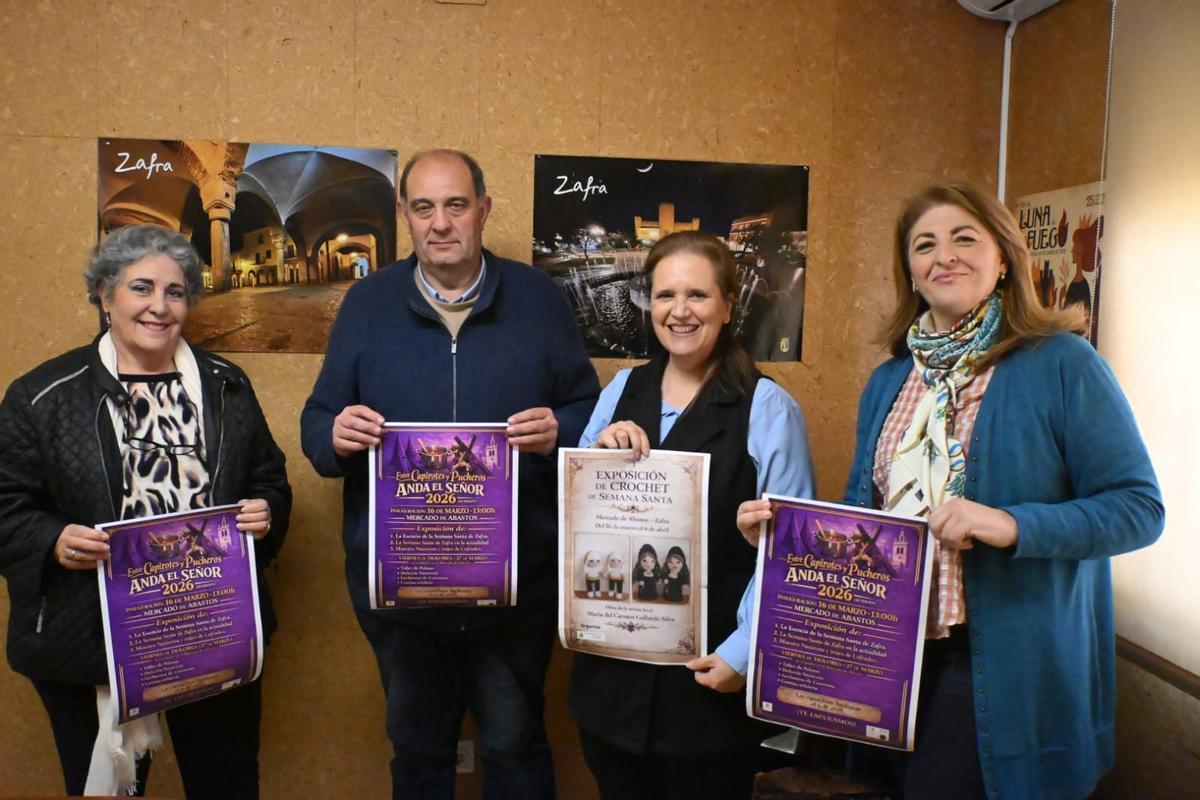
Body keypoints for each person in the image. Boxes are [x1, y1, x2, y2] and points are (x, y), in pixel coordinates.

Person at [740, 182, 1162, 800]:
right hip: (890, 655)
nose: (945, 256)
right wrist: (790, 532)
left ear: (1003, 259)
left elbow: (1138, 510)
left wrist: (1011, 524)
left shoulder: (1062, 363)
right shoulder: (890, 381)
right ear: (909, 270)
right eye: (924, 245)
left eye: (966, 238)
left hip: (998, 661)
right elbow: (866, 520)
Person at [299, 148, 599, 800]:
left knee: (515, 745)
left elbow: (588, 413)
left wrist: (560, 431)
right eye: (425, 207)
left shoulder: (539, 299)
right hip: (404, 592)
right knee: (419, 751)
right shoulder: (368, 303)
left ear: (484, 210)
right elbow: (317, 423)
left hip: (515, 587)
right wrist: (336, 435)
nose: (441, 223)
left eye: (456, 205)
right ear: (404, 215)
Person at [0, 224, 291, 799]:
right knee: (110, 791)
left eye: (176, 291)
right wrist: (54, 540)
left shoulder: (226, 385)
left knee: (227, 785)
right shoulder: (42, 395)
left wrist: (267, 512)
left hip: (212, 629)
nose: (159, 306)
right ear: (105, 296)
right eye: (141, 288)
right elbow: (6, 505)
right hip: (90, 642)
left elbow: (267, 478)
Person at [570, 230, 815, 800]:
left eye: (698, 296)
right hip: (613, 685)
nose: (680, 312)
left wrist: (743, 654)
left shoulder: (768, 406)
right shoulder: (621, 389)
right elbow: (575, 514)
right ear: (648, 303)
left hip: (709, 685)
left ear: (729, 306)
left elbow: (792, 553)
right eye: (664, 295)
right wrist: (597, 455)